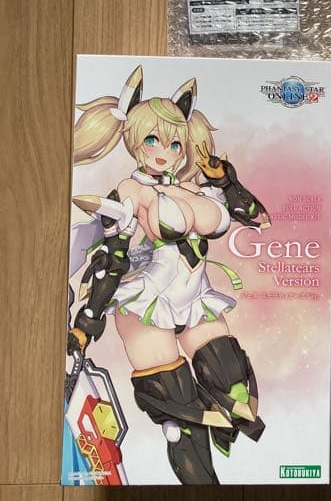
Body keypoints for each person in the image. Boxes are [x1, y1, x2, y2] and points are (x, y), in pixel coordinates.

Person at [67, 65, 270, 484]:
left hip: (194, 296)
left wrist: (225, 180)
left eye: (174, 142)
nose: (164, 151)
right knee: (178, 413)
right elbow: (113, 259)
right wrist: (86, 324)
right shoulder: (130, 192)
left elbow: (255, 216)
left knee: (231, 378)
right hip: (145, 303)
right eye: (153, 140)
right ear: (134, 140)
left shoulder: (194, 187)